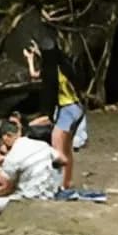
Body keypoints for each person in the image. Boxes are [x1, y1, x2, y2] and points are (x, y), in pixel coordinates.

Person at [24, 34, 86, 189]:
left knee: (57, 149)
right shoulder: (65, 65)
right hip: (78, 108)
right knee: (67, 149)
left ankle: (57, 184)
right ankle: (67, 182)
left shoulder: (49, 72)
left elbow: (34, 75)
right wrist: (38, 51)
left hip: (66, 111)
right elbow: (51, 58)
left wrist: (30, 59)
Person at [0, 118, 61, 219]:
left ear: (6, 137)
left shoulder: (12, 156)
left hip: (29, 199)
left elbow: (7, 188)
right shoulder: (42, 145)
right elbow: (62, 160)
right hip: (49, 194)